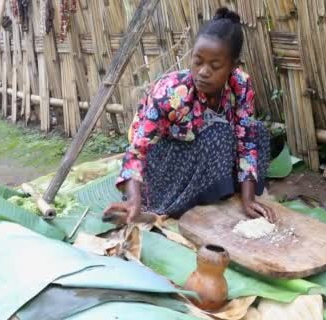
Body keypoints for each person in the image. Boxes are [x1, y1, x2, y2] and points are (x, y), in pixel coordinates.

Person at [104, 7, 276, 225]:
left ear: (233, 66)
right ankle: (165, 205)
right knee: (219, 133)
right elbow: (137, 152)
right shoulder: (171, 93)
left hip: (204, 154)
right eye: (198, 61)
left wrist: (249, 198)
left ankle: (231, 191)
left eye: (215, 66)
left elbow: (246, 140)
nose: (203, 71)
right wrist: (133, 198)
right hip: (163, 162)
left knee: (257, 131)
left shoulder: (240, 84)